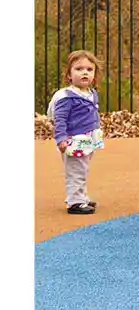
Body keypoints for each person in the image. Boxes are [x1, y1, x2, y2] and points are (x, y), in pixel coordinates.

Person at [48, 50, 105, 215]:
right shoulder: (66, 97)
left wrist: (97, 134)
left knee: (83, 169)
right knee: (75, 171)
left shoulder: (91, 94)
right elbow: (60, 120)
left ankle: (81, 197)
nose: (85, 72)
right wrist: (61, 139)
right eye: (79, 69)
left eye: (89, 69)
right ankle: (75, 202)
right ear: (69, 75)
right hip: (73, 140)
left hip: (88, 138)